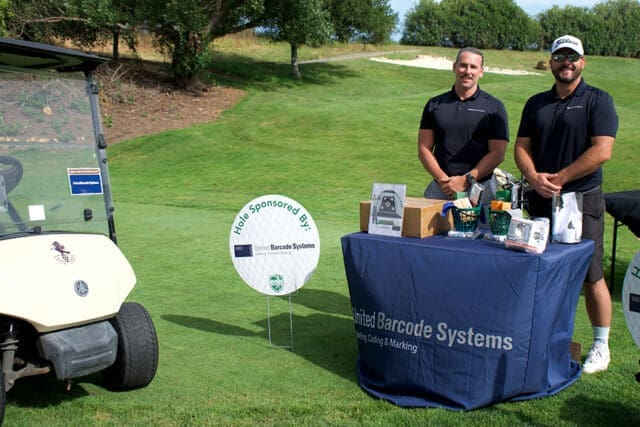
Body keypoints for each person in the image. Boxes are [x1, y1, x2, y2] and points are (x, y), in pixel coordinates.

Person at [514, 35, 618, 374]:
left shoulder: (597, 100)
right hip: (541, 198)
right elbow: (521, 147)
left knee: (591, 273)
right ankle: (542, 339)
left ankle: (601, 345)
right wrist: (533, 177)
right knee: (541, 267)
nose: (566, 63)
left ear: (582, 62)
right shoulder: (536, 103)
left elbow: (602, 150)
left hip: (581, 199)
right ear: (551, 62)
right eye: (560, 57)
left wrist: (561, 177)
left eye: (572, 57)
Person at [418, 47, 509, 204]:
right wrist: (444, 181)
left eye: (473, 67)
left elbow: (498, 153)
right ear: (454, 67)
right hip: (442, 187)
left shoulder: (494, 107)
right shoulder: (435, 104)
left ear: (481, 72)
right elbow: (423, 148)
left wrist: (465, 180)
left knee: (483, 222)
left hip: (481, 188)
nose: (468, 71)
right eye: (463, 65)